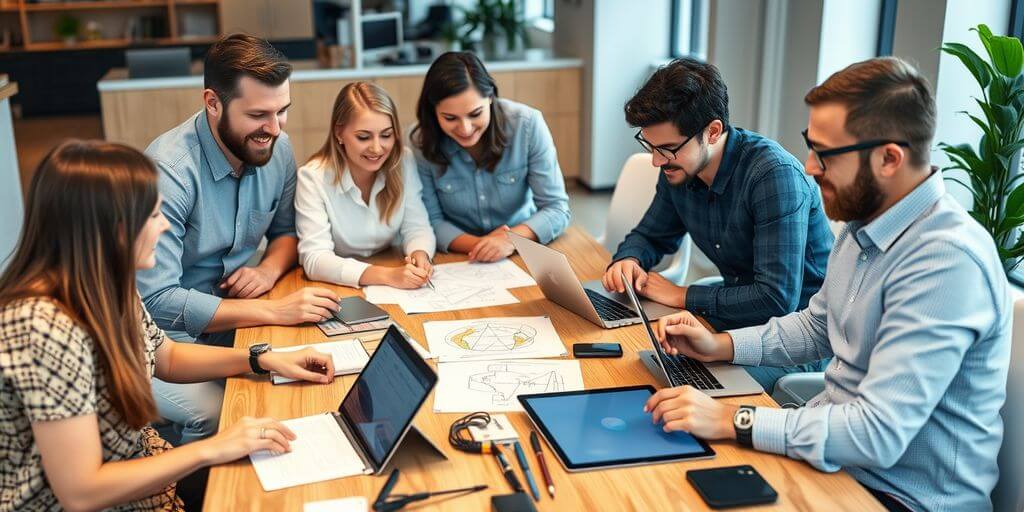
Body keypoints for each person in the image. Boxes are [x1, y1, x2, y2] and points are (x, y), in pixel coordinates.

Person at [644, 57, 1010, 512]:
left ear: (889, 158)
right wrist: (719, 345)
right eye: (810, 146)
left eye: (826, 153)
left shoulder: (946, 261)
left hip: (898, 495)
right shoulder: (864, 224)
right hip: (832, 457)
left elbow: (876, 434)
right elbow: (817, 326)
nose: (810, 167)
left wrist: (733, 418)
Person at [0, 140, 336, 512]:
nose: (163, 226)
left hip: (135, 476)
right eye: (153, 214)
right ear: (111, 228)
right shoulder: (43, 328)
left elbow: (167, 357)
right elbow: (81, 491)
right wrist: (214, 446)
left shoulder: (105, 284)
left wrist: (263, 358)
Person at [137, 34, 340, 444]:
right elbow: (157, 301)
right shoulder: (169, 170)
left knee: (306, 381)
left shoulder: (275, 146)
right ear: (213, 102)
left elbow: (286, 232)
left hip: (235, 319)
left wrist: (268, 269)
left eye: (282, 111)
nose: (275, 128)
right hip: (161, 340)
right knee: (216, 413)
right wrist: (273, 312)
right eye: (259, 114)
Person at [602, 58, 833, 390]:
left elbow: (775, 299)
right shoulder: (678, 167)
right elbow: (651, 235)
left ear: (711, 132)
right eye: (650, 146)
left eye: (666, 149)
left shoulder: (773, 175)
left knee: (676, 385)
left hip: (793, 342)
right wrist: (629, 259)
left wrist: (684, 295)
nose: (656, 160)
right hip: (734, 318)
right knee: (636, 361)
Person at [412, 51, 571, 262]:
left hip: (523, 246)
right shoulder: (421, 142)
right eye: (450, 118)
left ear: (490, 98)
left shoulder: (527, 124)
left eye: (475, 114)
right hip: (459, 256)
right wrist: (487, 246)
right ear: (433, 112)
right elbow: (432, 221)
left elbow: (556, 208)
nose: (465, 128)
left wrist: (510, 239)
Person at [295, 81, 436, 289]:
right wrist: (387, 276)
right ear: (339, 133)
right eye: (363, 137)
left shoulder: (403, 161)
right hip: (339, 286)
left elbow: (417, 227)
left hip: (391, 267)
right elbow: (315, 260)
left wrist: (420, 254)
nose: (377, 148)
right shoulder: (312, 177)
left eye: (386, 135)